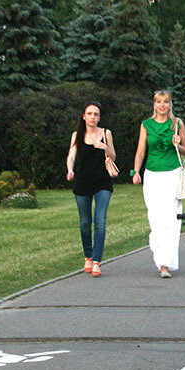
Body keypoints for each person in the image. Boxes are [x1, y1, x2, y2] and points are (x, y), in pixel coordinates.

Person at [131, 90, 185, 278]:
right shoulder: (146, 125)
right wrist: (136, 171)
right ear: (154, 104)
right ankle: (159, 253)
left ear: (170, 104)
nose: (162, 105)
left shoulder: (177, 124)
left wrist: (178, 144)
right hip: (152, 175)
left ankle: (165, 264)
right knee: (155, 218)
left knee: (171, 219)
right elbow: (141, 151)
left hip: (172, 173)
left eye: (166, 102)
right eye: (159, 102)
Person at [65, 101, 117, 277]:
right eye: (89, 114)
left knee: (100, 221)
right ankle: (88, 256)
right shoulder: (77, 135)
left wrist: (105, 147)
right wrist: (70, 169)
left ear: (99, 117)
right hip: (83, 182)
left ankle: (96, 261)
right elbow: (71, 155)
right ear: (84, 116)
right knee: (85, 223)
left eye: (96, 114)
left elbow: (113, 155)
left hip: (103, 182)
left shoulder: (105, 133)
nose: (93, 117)